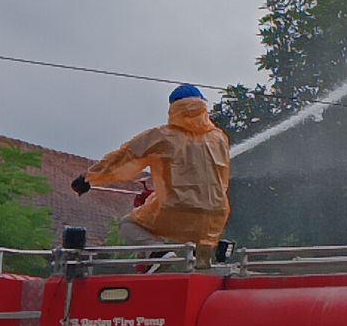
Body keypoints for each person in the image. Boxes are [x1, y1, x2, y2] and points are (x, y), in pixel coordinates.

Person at [72, 84, 230, 268]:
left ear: (173, 108)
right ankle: (203, 267)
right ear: (203, 106)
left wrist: (89, 178)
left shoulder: (161, 136)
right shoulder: (219, 138)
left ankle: (158, 251)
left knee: (128, 224)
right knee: (203, 253)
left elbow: (123, 157)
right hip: (215, 214)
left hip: (175, 209)